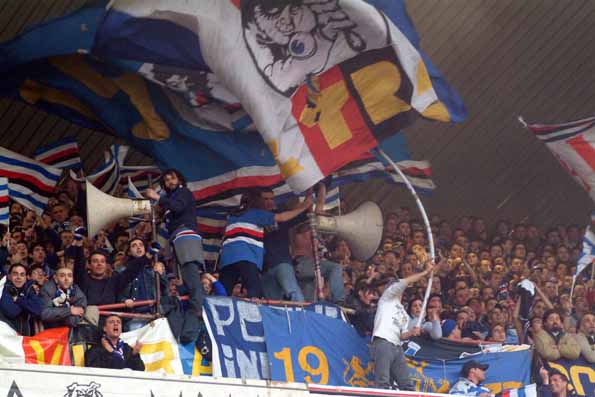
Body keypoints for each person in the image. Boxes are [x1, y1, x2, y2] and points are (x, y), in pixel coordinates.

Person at [146, 169, 206, 344]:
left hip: (185, 237)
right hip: (177, 241)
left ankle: (193, 321)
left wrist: (157, 198)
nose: (169, 181)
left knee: (193, 283)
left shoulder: (183, 193)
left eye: (172, 178)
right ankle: (187, 328)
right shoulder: (170, 201)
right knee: (185, 283)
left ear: (179, 178)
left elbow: (178, 206)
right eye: (166, 180)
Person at [218, 188, 312, 298]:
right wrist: (305, 206)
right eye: (264, 199)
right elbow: (282, 217)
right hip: (247, 257)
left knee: (224, 290)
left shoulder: (233, 215)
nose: (268, 202)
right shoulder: (257, 213)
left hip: (227, 258)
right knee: (254, 290)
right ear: (257, 201)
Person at [371, 262, 434, 390]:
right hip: (383, 341)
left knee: (406, 384)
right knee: (383, 382)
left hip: (397, 347)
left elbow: (402, 335)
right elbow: (405, 281)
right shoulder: (387, 298)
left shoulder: (404, 313)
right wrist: (425, 273)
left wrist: (412, 332)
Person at [67, 227, 150, 306]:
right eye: (95, 261)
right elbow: (79, 265)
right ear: (89, 265)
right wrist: (79, 243)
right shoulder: (83, 279)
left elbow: (131, 271)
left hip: (109, 319)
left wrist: (148, 255)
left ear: (106, 265)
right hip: (88, 319)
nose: (99, 264)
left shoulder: (113, 281)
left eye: (102, 261)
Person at [261, 190, 307, 302]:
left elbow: (302, 213)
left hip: (282, 262)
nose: (269, 202)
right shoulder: (252, 217)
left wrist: (309, 195)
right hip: (263, 269)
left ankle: (302, 316)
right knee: (273, 303)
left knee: (293, 293)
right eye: (265, 199)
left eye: (271, 199)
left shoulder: (282, 215)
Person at [291, 222, 345, 303]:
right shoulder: (303, 233)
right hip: (302, 262)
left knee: (309, 286)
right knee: (335, 268)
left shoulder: (310, 235)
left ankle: (309, 308)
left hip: (303, 266)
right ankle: (339, 300)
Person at [0, 263, 42, 335]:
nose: (19, 277)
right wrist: (28, 303)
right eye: (15, 274)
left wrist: (18, 299)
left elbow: (38, 310)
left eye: (22, 275)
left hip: (25, 337)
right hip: (7, 337)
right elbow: (12, 312)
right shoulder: (5, 289)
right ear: (9, 276)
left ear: (26, 278)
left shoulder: (29, 289)